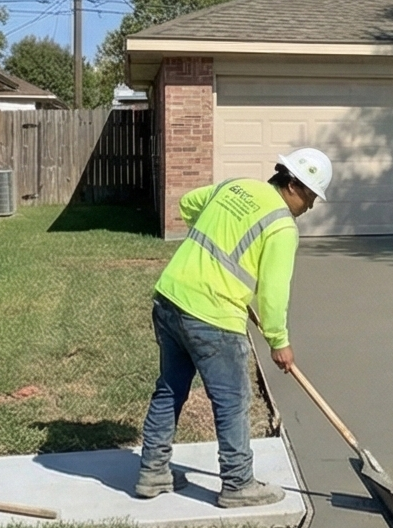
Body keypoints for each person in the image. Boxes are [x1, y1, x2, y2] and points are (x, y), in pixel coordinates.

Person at [136, 148, 332, 506]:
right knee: (232, 401)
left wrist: (215, 246)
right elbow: (273, 292)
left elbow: (189, 204)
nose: (311, 206)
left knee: (170, 389)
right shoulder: (281, 226)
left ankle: (153, 471)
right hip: (213, 317)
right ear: (292, 185)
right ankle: (238, 484)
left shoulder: (236, 186)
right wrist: (279, 341)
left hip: (170, 298)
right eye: (310, 197)